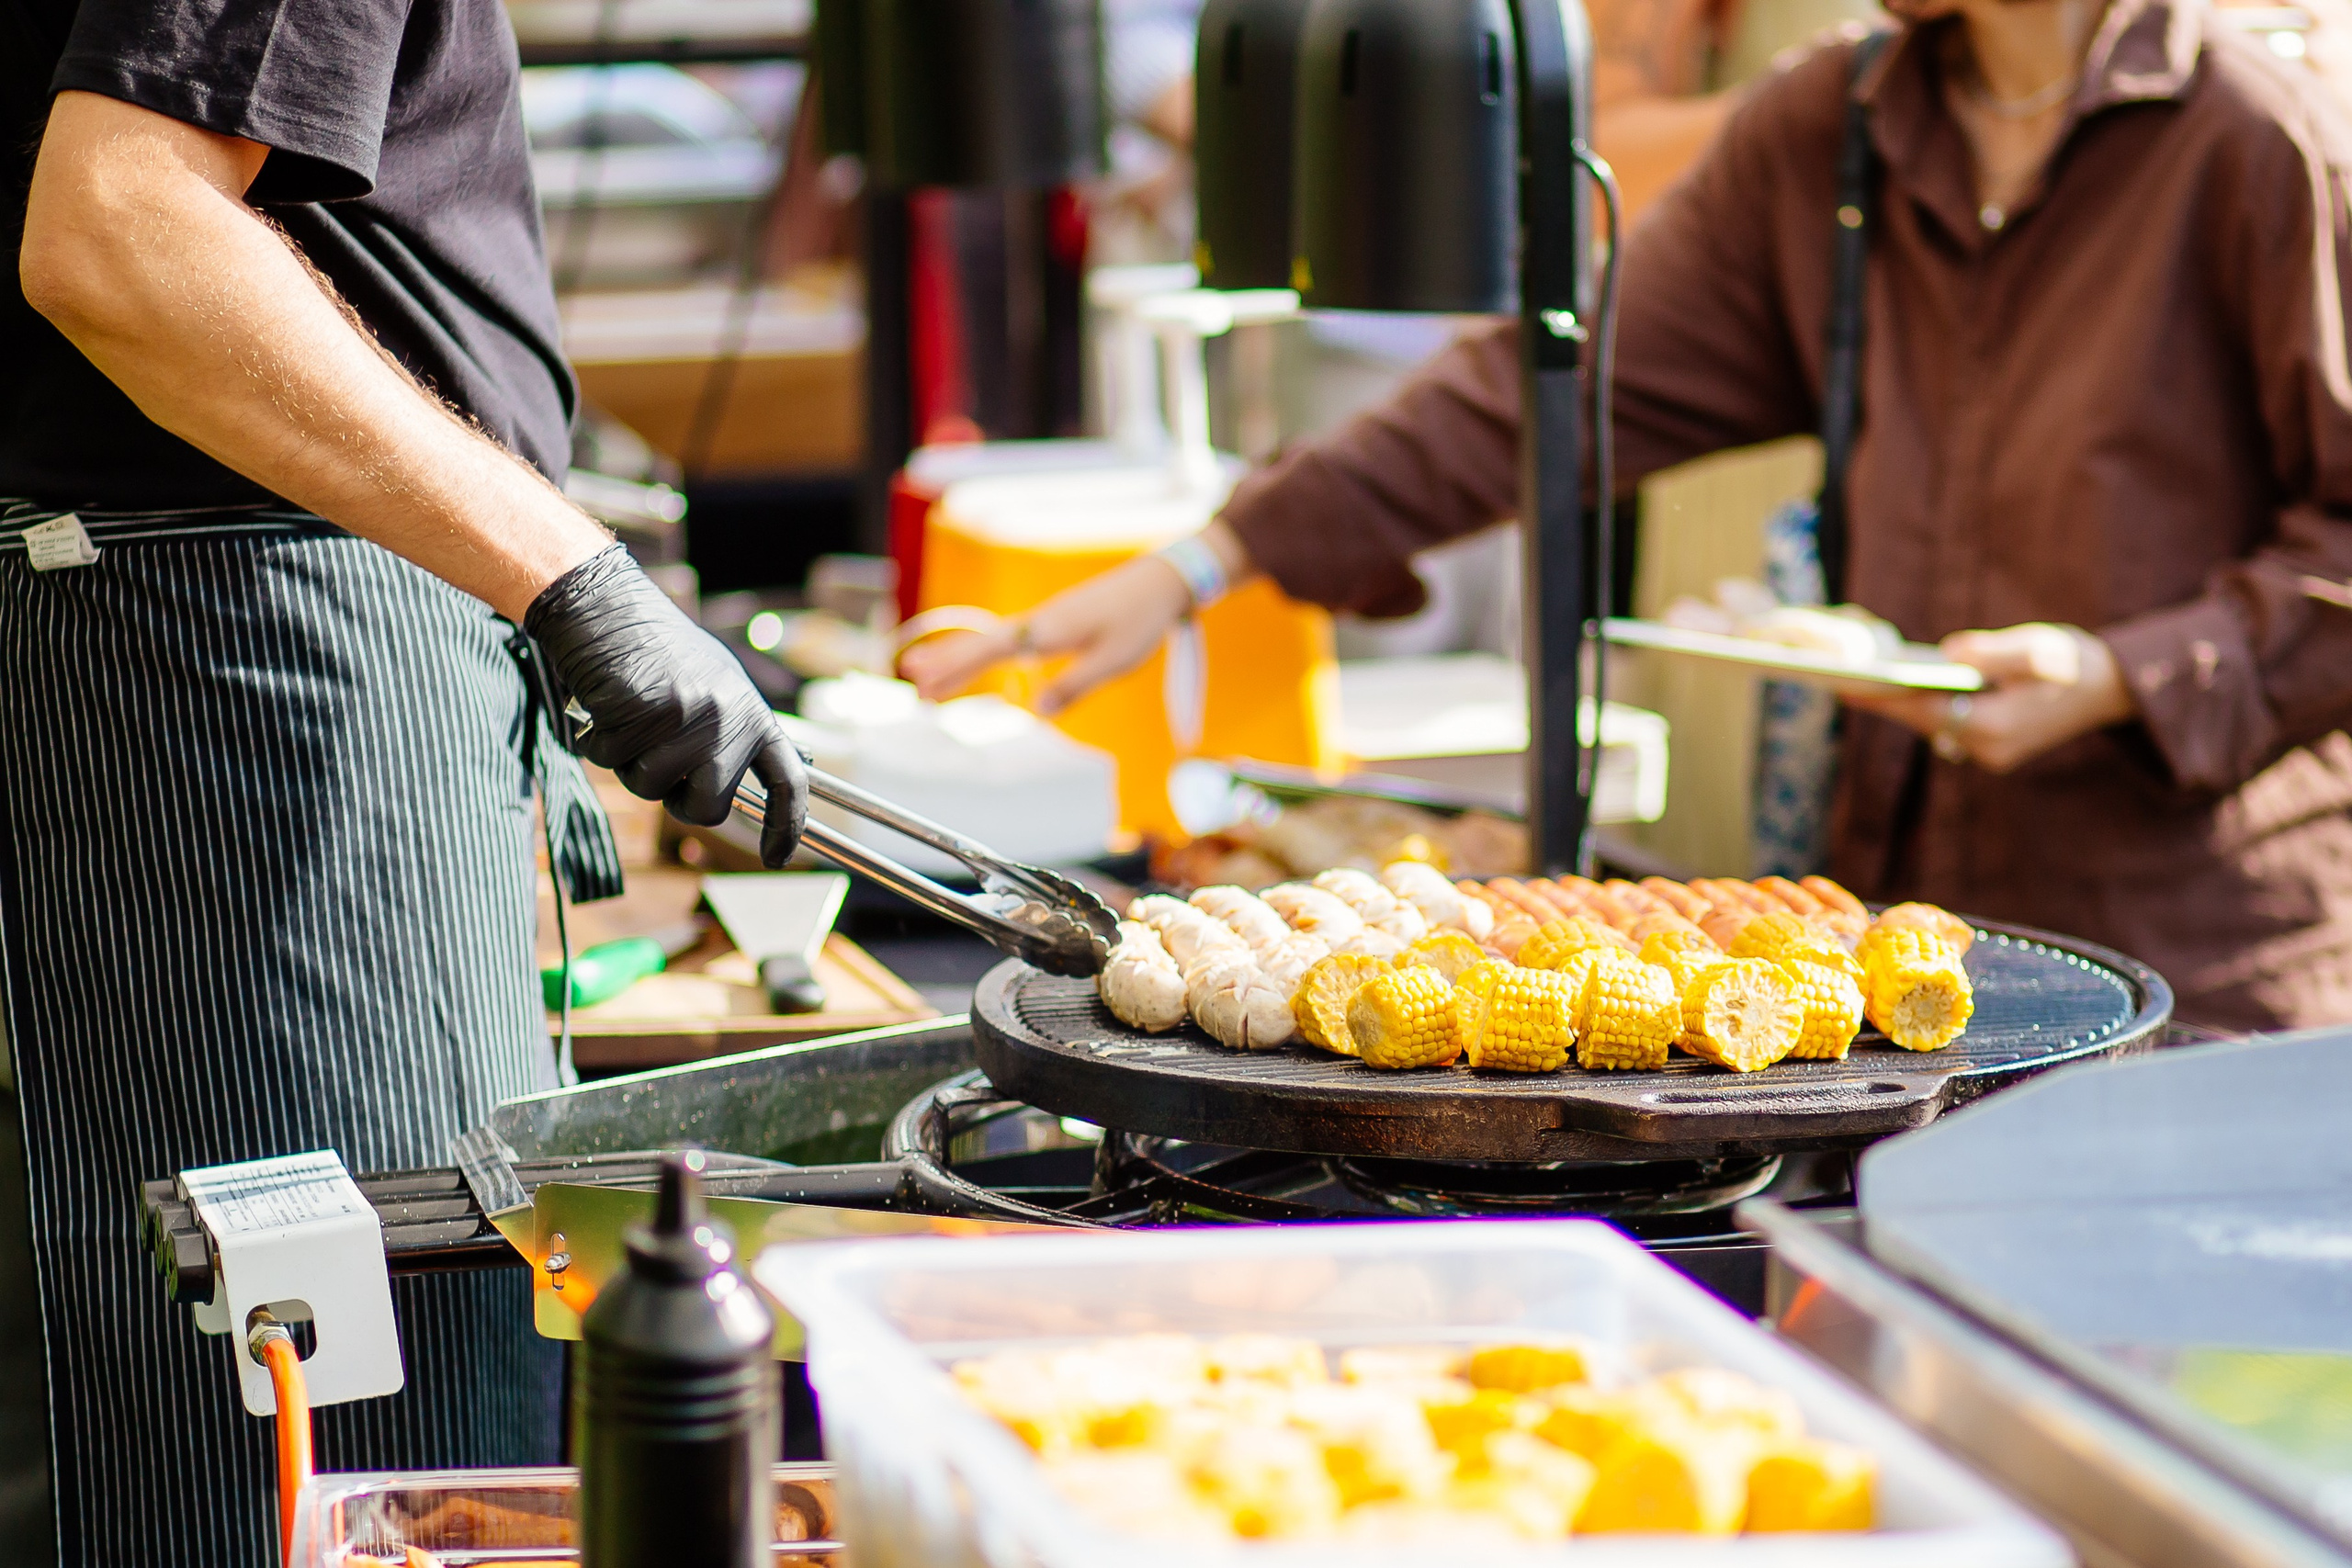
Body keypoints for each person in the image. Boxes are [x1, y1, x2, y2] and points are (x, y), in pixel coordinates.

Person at [909, 0, 2352, 1032]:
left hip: (2203, 965)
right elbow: (1546, 388)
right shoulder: (1832, 127)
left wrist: (2124, 676)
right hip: (1918, 971)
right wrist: (1198, 561)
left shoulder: (2262, 133)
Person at [0, 0, 808, 1562]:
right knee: (381, 1448)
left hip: (222, 640)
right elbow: (116, 223)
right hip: (245, 673)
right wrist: (574, 580)